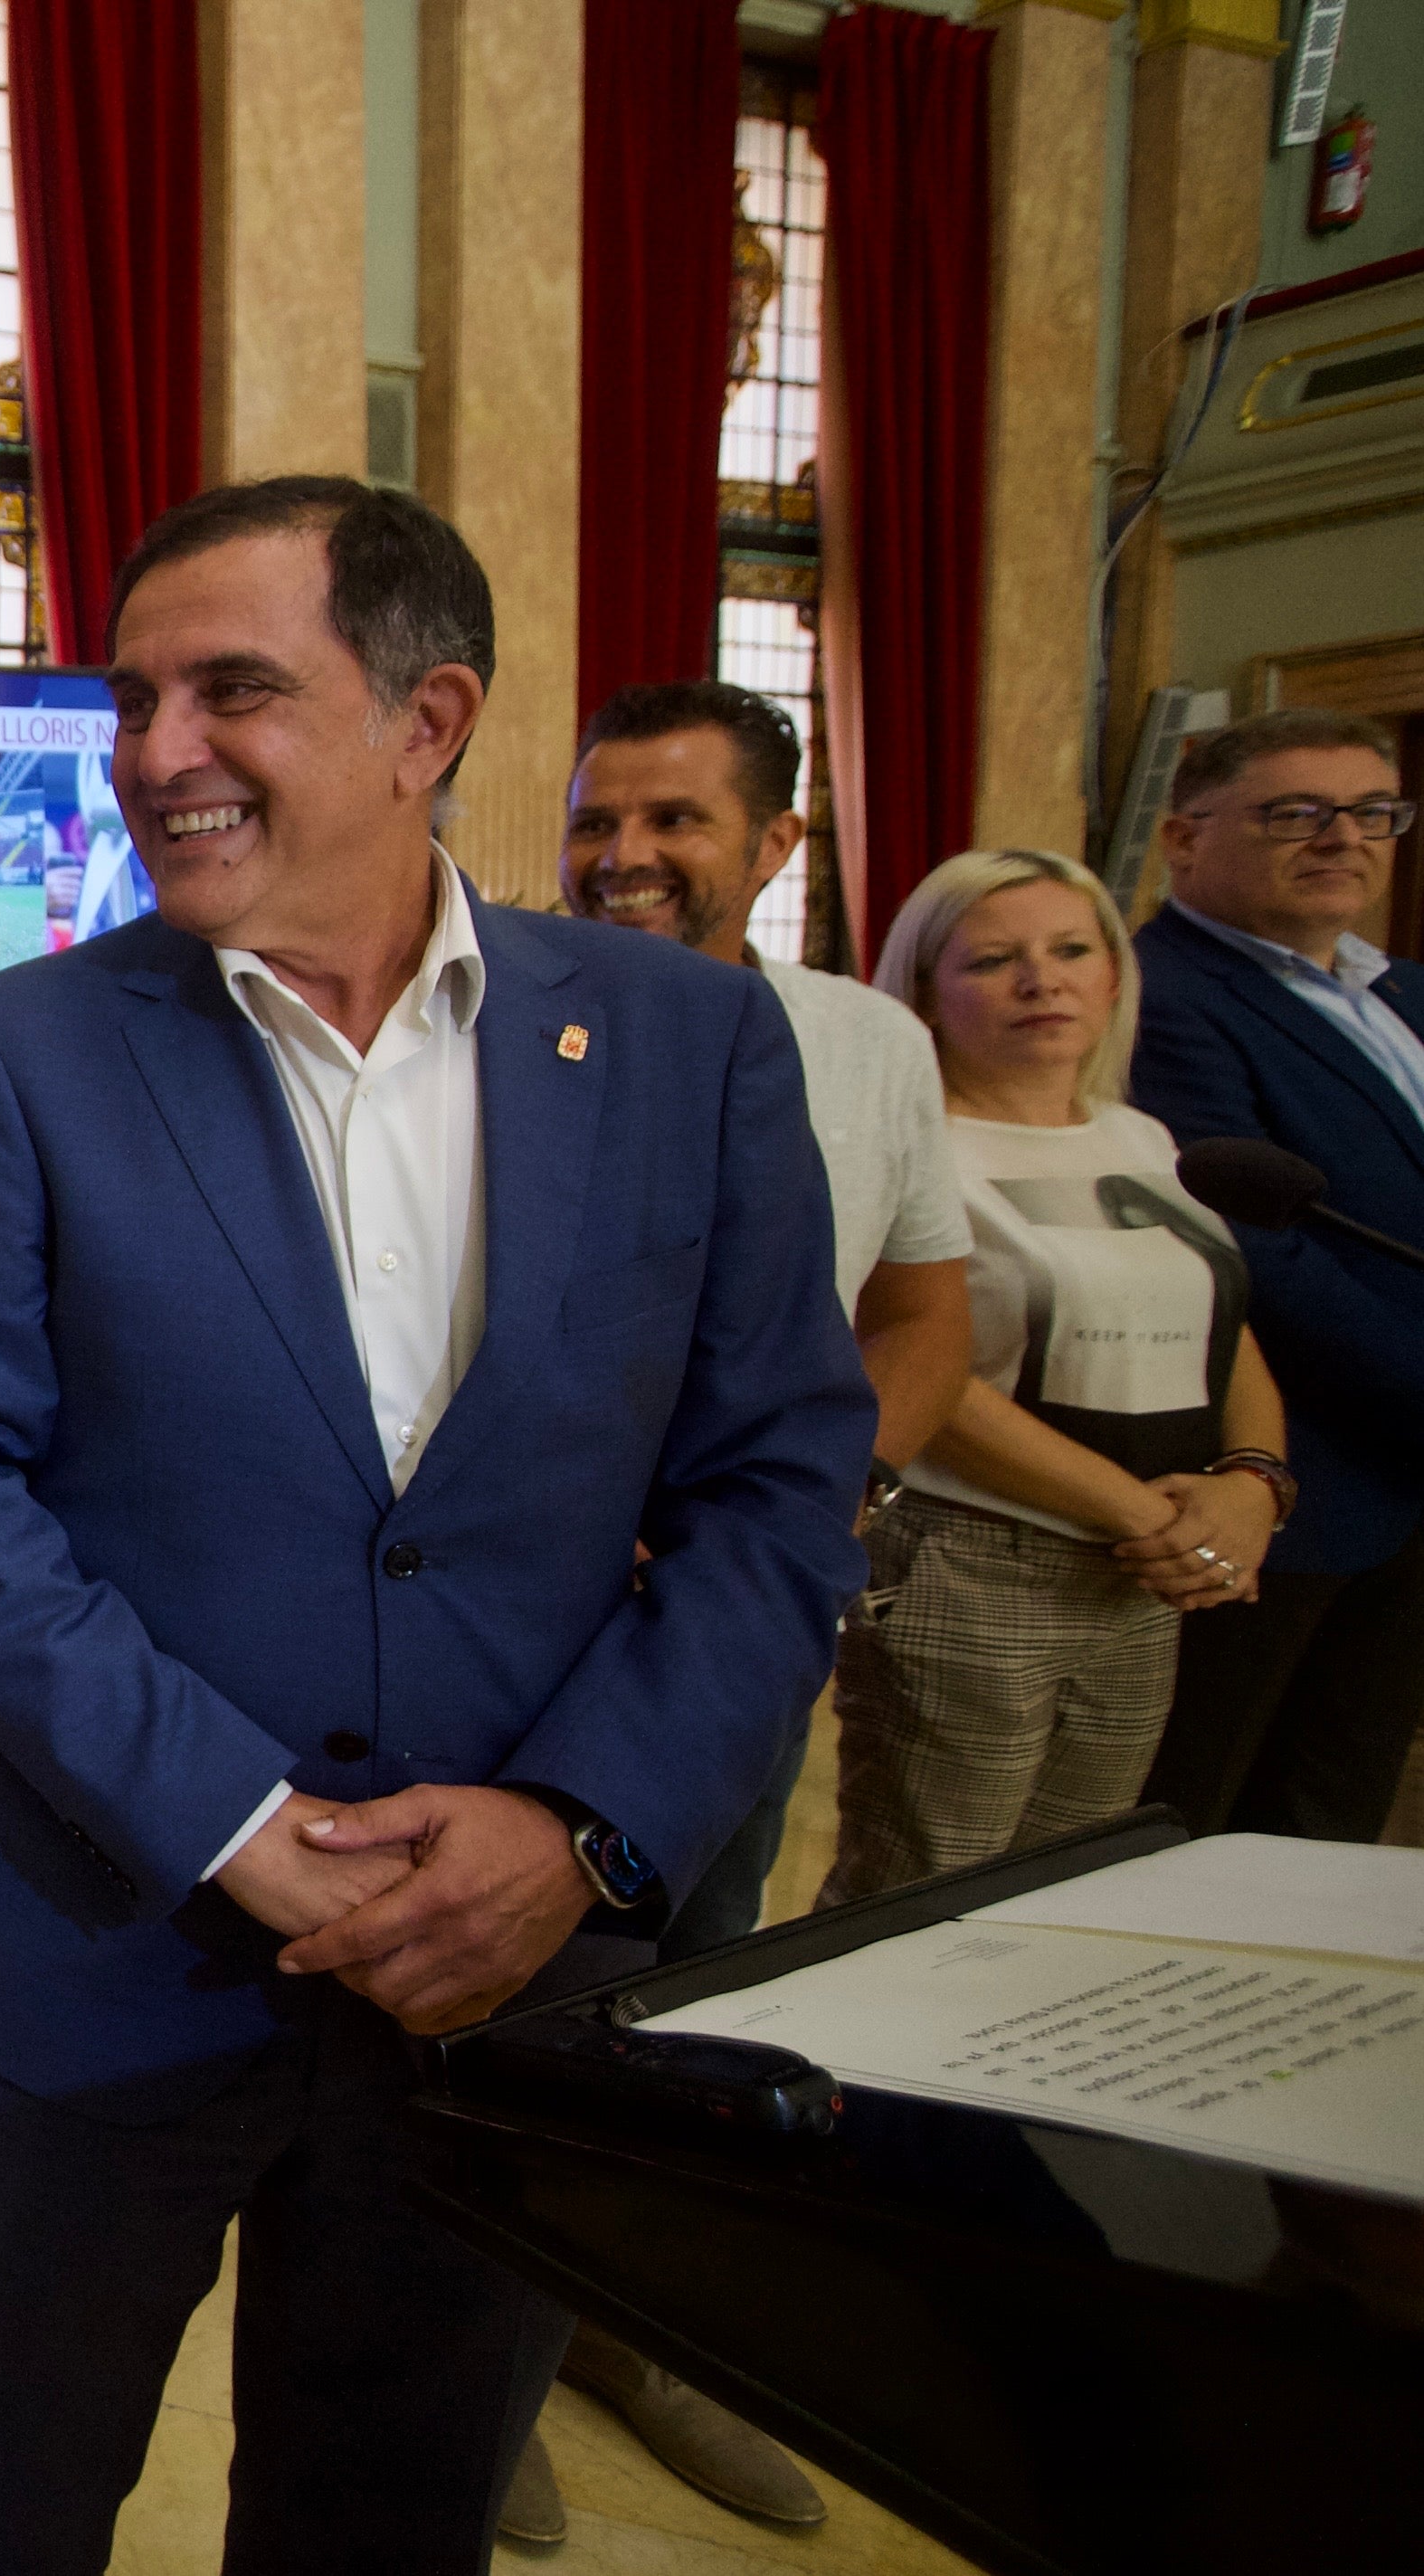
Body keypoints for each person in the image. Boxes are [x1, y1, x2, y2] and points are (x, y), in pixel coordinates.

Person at [0, 476, 873, 2576]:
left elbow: (779, 1482)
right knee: (7, 2511)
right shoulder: (18, 1053)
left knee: (387, 2516)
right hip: (100, 1951)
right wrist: (238, 1819)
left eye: (232, 688)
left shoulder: (686, 1043)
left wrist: (580, 1825)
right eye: (132, 696)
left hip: (506, 1978)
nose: (154, 752)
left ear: (430, 722)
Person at [536, 679, 974, 2534]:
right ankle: (485, 2367)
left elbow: (915, 1315)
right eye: (593, 822)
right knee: (515, 2003)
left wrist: (791, 1515)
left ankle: (634, 2335)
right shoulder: (492, 1026)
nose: (623, 857)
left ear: (776, 843)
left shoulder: (869, 1047)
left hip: (742, 1621)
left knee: (695, 1985)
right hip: (532, 1617)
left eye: (673, 822)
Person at [821, 851, 1289, 1909]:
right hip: (974, 1566)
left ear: (1114, 975)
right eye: (992, 960)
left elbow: (1224, 1331)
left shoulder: (1140, 1137)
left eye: (1070, 950)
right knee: (921, 1901)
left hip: (1138, 1581)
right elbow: (913, 1366)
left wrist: (1251, 1485)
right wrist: (1148, 1517)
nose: (1041, 981)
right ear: (925, 995)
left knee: (1070, 1894)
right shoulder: (907, 1148)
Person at [1129, 709, 1424, 1846]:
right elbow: (1256, 1253)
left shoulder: (1397, 993)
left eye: (1369, 813)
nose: (1336, 838)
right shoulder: (1160, 996)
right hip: (1287, 1479)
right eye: (1292, 814)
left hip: (1402, 1493)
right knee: (1212, 1818)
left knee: (1339, 1808)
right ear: (1180, 837)